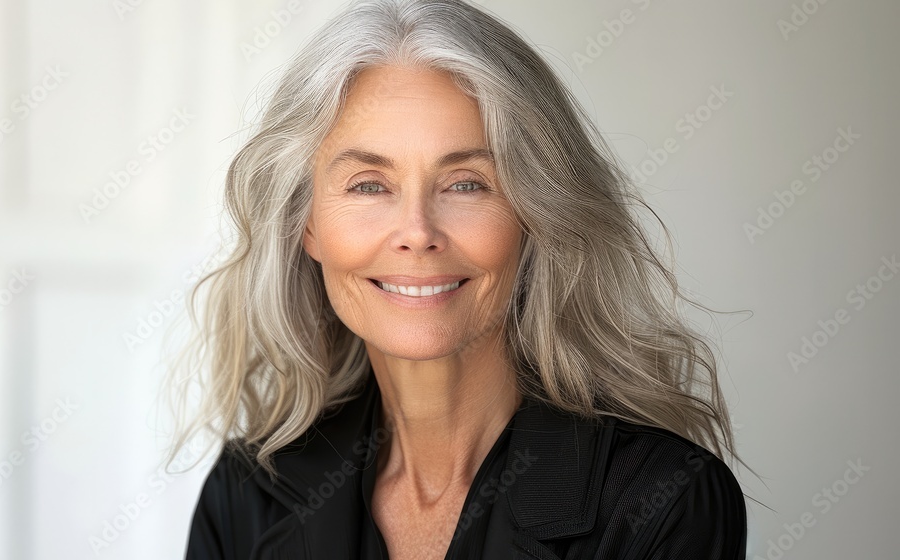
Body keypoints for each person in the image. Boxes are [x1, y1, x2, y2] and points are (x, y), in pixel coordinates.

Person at [169, 0, 753, 558]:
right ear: (308, 226)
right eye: (369, 185)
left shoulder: (664, 500)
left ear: (534, 216)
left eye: (467, 183)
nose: (417, 231)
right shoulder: (248, 493)